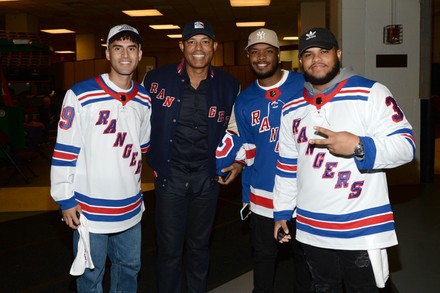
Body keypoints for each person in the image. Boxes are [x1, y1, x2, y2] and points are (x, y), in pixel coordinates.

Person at [273, 27, 416, 292]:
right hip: (312, 229)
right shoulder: (291, 107)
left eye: (324, 51)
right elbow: (286, 165)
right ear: (300, 61)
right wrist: (281, 212)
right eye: (308, 54)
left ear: (338, 54)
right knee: (323, 288)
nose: (317, 59)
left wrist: (360, 146)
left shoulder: (370, 92)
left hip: (362, 229)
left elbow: (406, 147)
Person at [142, 20, 241, 293]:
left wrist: (239, 161)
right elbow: (137, 121)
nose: (199, 48)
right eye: (192, 42)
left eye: (205, 42)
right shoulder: (155, 80)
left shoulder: (229, 85)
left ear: (214, 47)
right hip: (169, 177)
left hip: (207, 178)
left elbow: (237, 129)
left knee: (199, 246)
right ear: (182, 46)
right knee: (169, 249)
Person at [50, 24, 151, 292]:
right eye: (118, 48)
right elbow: (64, 151)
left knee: (129, 270)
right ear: (107, 53)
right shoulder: (80, 94)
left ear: (140, 54)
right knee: (90, 277)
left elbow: (143, 148)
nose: (125, 55)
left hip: (131, 209)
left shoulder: (144, 99)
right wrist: (64, 198)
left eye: (131, 48)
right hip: (90, 210)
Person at [216, 28, 312, 293]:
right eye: (254, 52)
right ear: (248, 56)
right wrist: (238, 169)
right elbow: (246, 149)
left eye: (267, 51)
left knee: (305, 262)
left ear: (278, 55)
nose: (261, 57)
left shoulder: (304, 85)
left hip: (303, 193)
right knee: (264, 260)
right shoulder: (244, 100)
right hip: (262, 197)